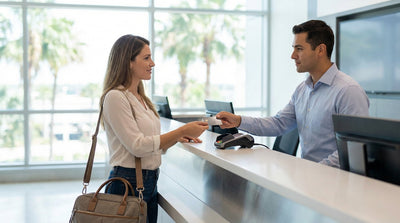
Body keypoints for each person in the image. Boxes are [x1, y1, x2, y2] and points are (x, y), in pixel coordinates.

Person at [216, 20, 369, 168]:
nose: (293, 55)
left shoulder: (348, 91)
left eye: (299, 49)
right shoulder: (302, 89)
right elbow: (279, 123)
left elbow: (352, 149)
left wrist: (312, 172)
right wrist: (238, 121)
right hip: (310, 179)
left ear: (321, 50)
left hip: (334, 182)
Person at [99, 34, 209, 223]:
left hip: (149, 181)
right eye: (146, 58)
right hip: (128, 183)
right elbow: (138, 146)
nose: (153, 63)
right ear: (129, 62)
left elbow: (152, 145)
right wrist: (181, 131)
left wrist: (177, 138)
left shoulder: (141, 99)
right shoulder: (116, 97)